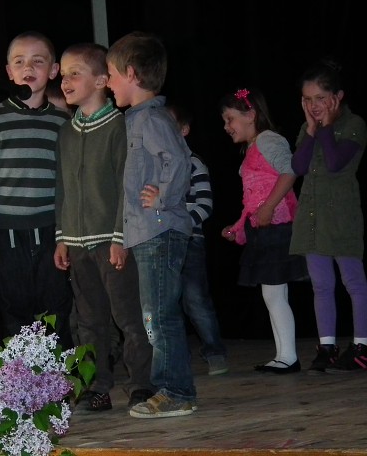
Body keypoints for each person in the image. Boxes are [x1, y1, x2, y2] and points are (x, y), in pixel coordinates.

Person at [54, 42, 153, 411]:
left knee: (128, 317)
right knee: (89, 320)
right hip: (77, 244)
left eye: (74, 73)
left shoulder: (118, 127)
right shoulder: (66, 133)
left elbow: (127, 186)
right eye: (63, 74)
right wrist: (61, 237)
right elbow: (62, 189)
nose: (65, 81)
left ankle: (141, 383)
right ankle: (97, 385)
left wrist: (119, 237)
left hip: (111, 241)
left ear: (100, 80)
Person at [106, 31, 196, 419]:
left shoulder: (152, 118)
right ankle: (171, 389)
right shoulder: (134, 119)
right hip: (146, 232)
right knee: (153, 315)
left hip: (161, 229)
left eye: (111, 75)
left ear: (130, 74)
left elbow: (178, 158)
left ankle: (176, 391)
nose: (108, 83)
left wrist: (163, 196)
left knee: (159, 316)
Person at [0, 31, 73, 347]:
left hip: (51, 231)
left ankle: (58, 374)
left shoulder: (62, 121)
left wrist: (65, 235)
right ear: (9, 71)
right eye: (19, 62)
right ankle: (21, 377)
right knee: (14, 311)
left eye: (37, 61)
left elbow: (68, 184)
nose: (28, 67)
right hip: (7, 235)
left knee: (56, 308)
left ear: (53, 71)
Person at [220, 87, 308, 374]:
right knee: (272, 295)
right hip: (264, 229)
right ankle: (284, 355)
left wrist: (269, 206)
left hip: (277, 226)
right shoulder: (253, 147)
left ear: (251, 115)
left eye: (230, 119)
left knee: (274, 294)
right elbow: (252, 200)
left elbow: (291, 170)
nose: (227, 127)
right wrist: (238, 227)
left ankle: (288, 357)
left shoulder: (269, 140)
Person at [290, 58, 367, 373]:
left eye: (320, 98)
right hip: (312, 218)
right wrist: (311, 130)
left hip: (341, 217)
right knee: (321, 285)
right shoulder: (309, 128)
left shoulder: (353, 124)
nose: (314, 105)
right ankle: (327, 346)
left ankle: (362, 345)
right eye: (308, 99)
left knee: (353, 282)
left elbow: (335, 163)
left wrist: (324, 128)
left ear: (338, 97)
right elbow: (298, 167)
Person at [167, 103, 228, 376]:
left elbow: (204, 205)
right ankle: (177, 357)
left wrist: (180, 223)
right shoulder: (154, 166)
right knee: (167, 303)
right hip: (163, 243)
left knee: (195, 299)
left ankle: (215, 351)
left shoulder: (194, 163)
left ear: (184, 129)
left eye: (169, 126)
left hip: (189, 240)